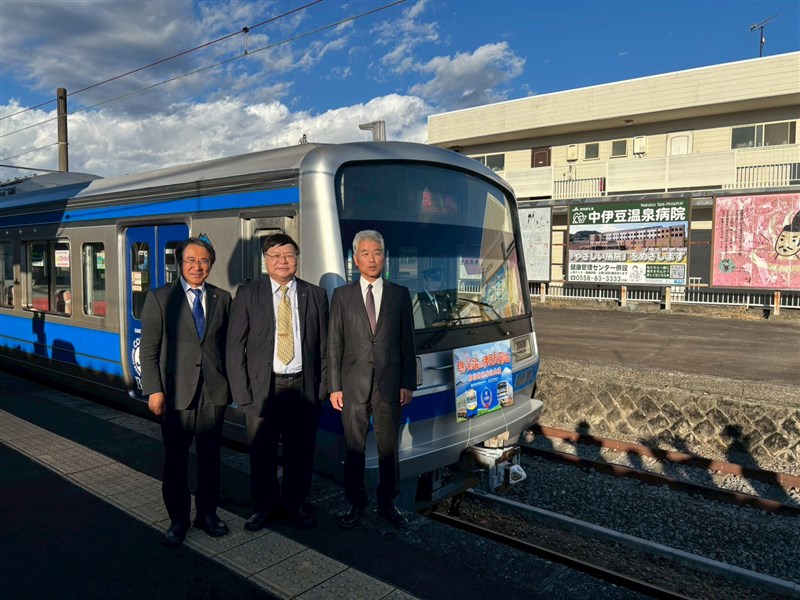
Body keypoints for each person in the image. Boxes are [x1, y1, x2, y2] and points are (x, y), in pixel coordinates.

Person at [227, 233, 328, 530]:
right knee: (262, 451)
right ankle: (264, 505)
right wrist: (242, 393)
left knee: (301, 451)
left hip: (302, 387)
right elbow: (234, 346)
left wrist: (321, 389)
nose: (282, 261)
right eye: (275, 256)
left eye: (288, 255)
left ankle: (296, 503)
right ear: (265, 261)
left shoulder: (315, 294)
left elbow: (325, 346)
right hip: (263, 388)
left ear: (297, 259)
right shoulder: (248, 294)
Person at [140, 237, 232, 546]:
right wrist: (153, 390)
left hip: (213, 394)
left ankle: (207, 514)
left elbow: (226, 348)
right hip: (176, 393)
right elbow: (149, 351)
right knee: (176, 460)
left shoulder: (222, 298)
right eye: (191, 260)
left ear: (210, 265)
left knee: (210, 459)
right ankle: (178, 519)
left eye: (203, 260)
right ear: (180, 264)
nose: (197, 266)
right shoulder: (160, 298)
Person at [329, 229, 416, 529]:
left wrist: (408, 382)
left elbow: (408, 342)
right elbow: (334, 343)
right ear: (355, 259)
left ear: (384, 256)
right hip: (352, 384)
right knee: (353, 448)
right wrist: (334, 386)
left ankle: (387, 502)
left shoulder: (399, 294)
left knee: (388, 448)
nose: (371, 259)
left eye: (376, 252)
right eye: (364, 253)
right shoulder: (342, 296)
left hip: (390, 384)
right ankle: (355, 502)